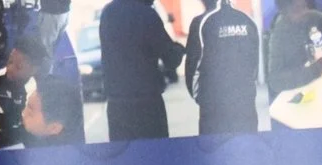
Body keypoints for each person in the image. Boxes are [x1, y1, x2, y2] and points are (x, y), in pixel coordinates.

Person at [98, 0, 186, 139]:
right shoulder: (146, 14)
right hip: (147, 104)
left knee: (125, 158)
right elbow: (171, 59)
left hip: (117, 105)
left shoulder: (108, 13)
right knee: (154, 156)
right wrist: (181, 49)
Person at [185, 0, 262, 135]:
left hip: (213, 109)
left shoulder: (201, 22)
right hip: (245, 106)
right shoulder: (247, 20)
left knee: (215, 152)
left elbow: (192, 68)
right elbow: (254, 64)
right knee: (246, 151)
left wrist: (203, 99)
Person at [266, 0, 322, 95]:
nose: (304, 12)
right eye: (297, 10)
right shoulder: (278, 38)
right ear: (284, 13)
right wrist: (315, 70)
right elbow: (275, 81)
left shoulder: (310, 17)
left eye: (304, 6)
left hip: (319, 79)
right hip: (298, 89)